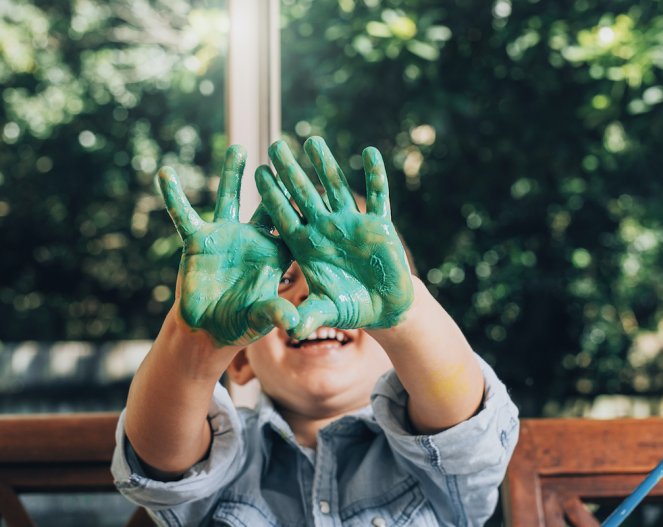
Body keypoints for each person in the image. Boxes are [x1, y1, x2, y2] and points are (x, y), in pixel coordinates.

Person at [112, 136, 519, 526]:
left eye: (347, 277)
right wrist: (194, 347)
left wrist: (405, 318)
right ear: (239, 361)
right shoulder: (226, 457)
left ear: (396, 350)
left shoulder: (439, 467)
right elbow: (162, 461)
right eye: (284, 281)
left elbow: (464, 427)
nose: (312, 294)